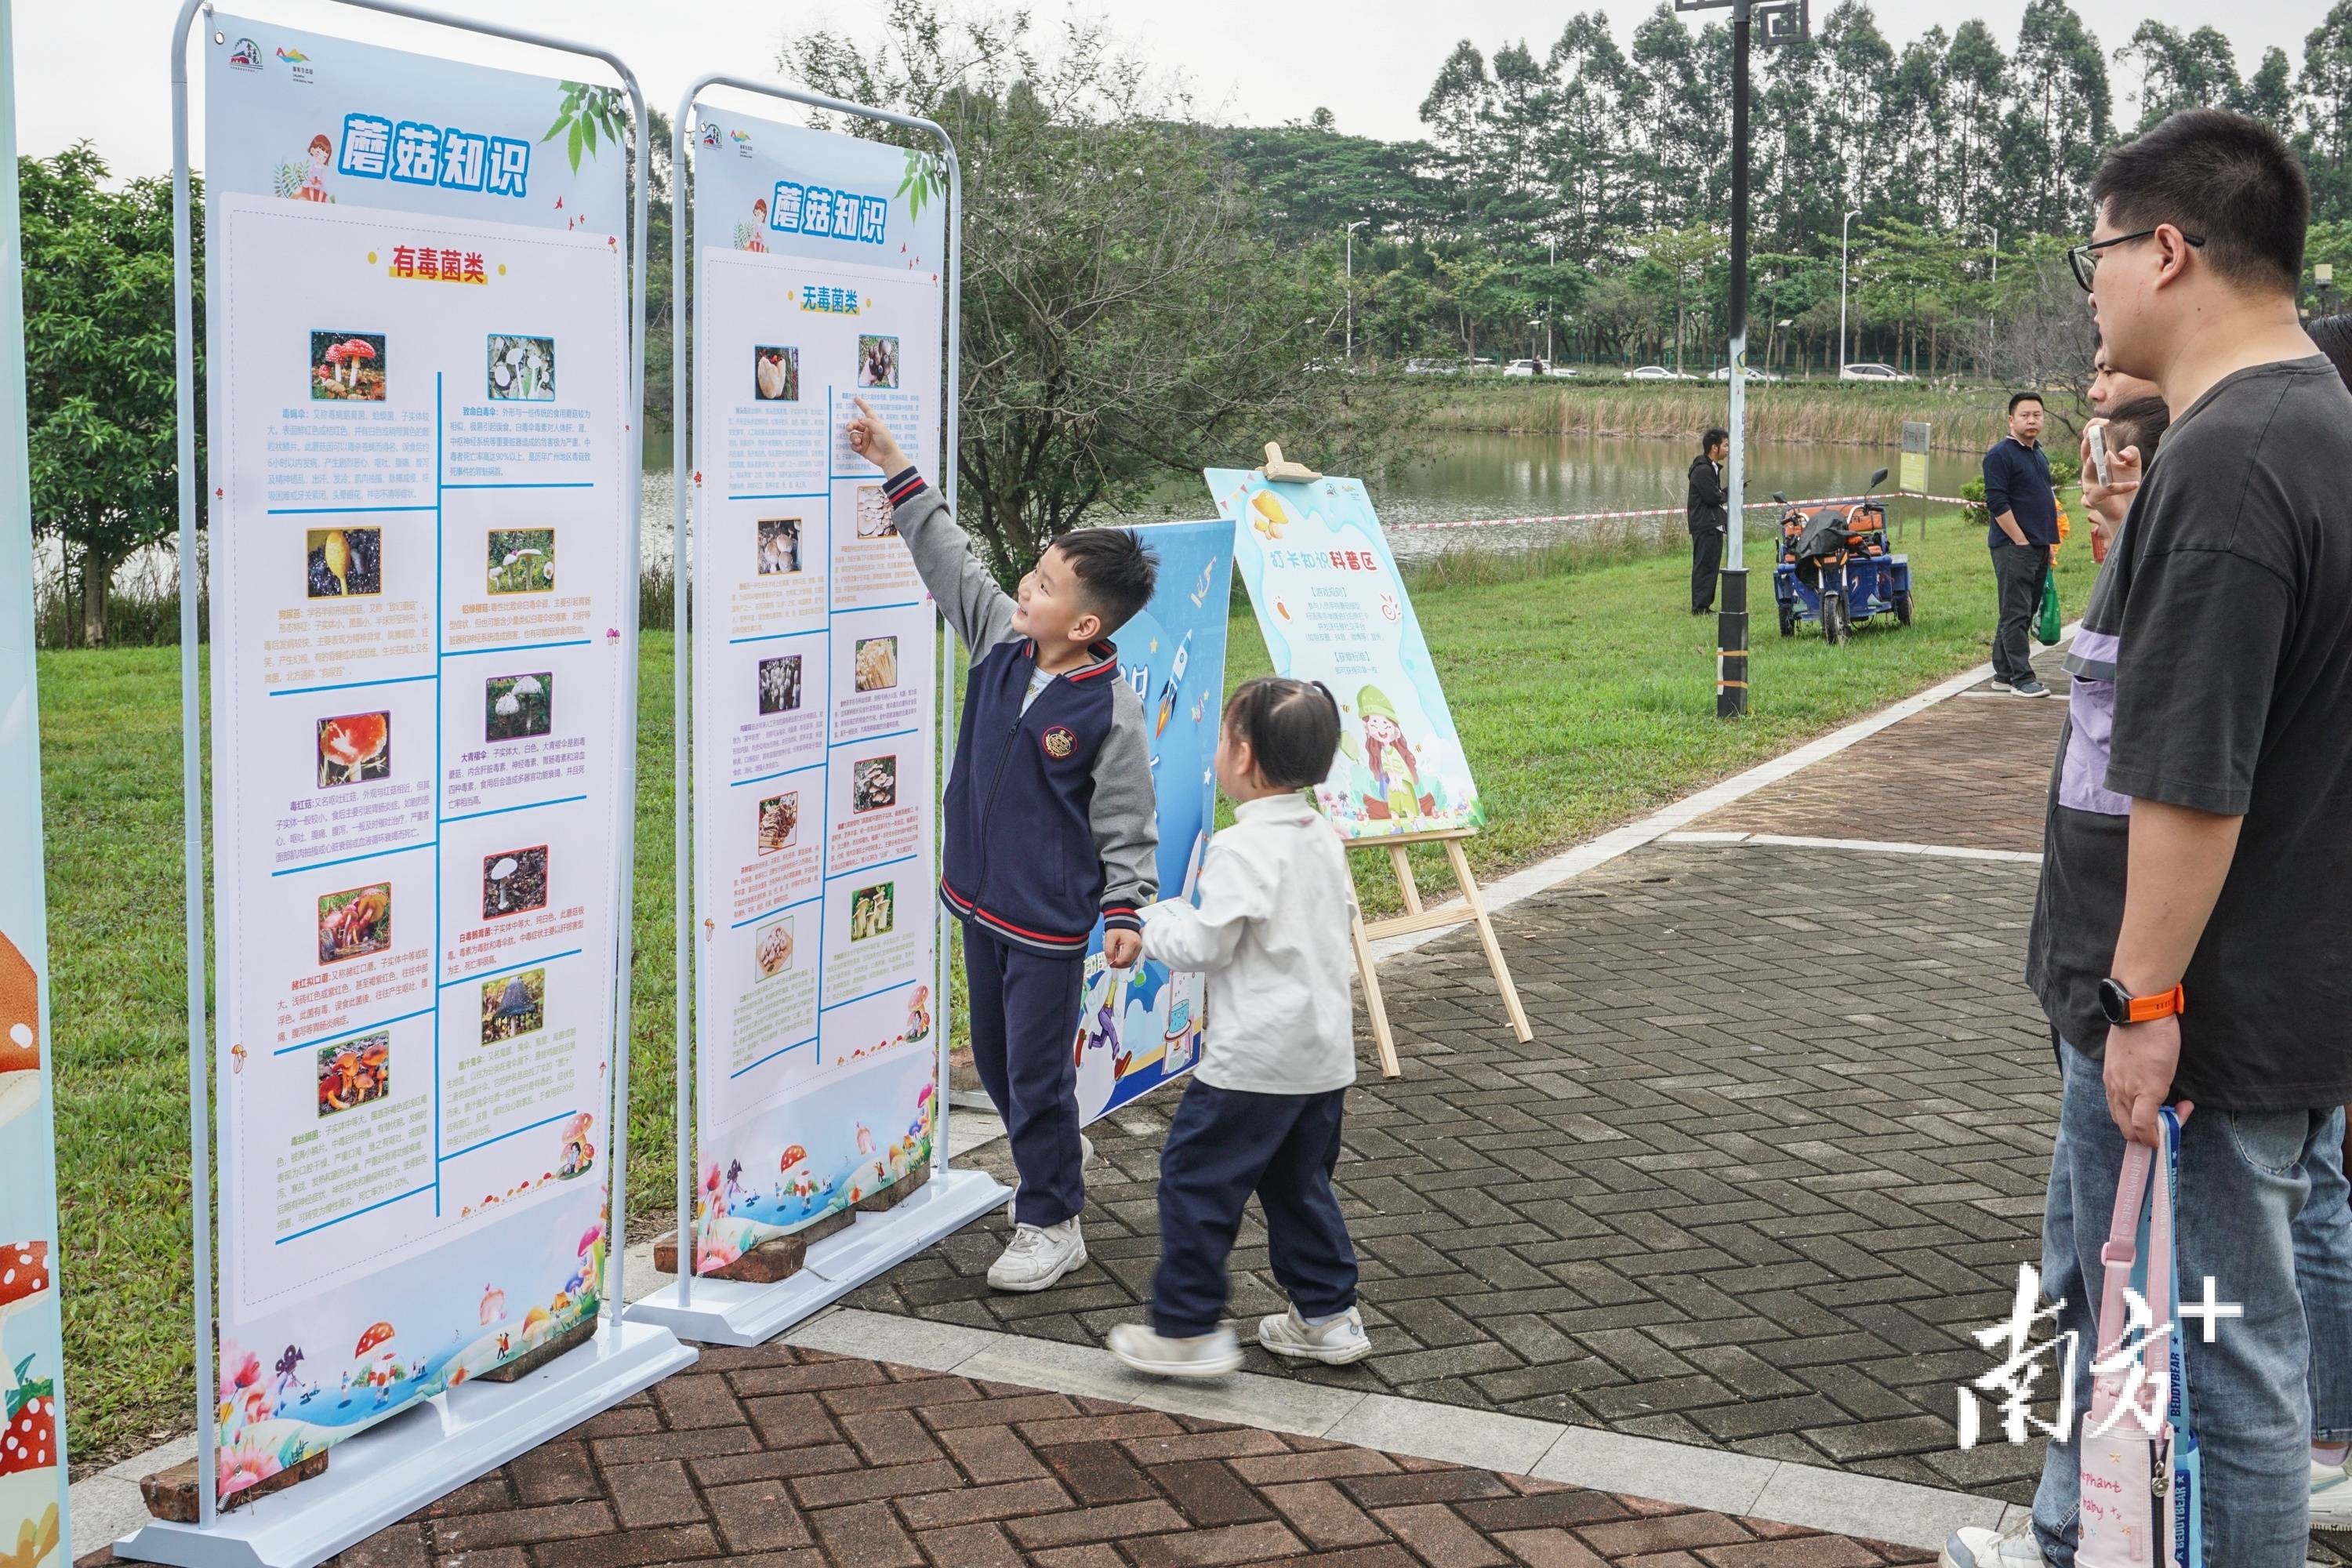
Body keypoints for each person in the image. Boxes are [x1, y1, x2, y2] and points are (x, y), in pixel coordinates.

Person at [1942, 108, 2352, 1568]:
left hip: (2210, 1013)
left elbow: (2195, 778)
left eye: (2097, 253)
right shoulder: (2296, 423)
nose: (2094, 285)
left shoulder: (2242, 459)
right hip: (2236, 990)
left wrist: (2147, 1002)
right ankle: (2078, 1542)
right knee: (2133, 1317)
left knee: (2224, 1359)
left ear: (2167, 250)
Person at [843, 397, 1159, 1294]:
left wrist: (1126, 905)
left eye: (1048, 586)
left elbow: (1126, 818)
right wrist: (895, 464)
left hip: (1049, 922)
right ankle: (1052, 1151)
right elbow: (950, 560)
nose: (1026, 586)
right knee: (991, 1057)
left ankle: (1052, 1217)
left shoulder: (1108, 709)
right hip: (976, 896)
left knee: (1033, 1064)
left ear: (1087, 624)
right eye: (1033, 571)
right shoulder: (999, 642)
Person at [1104, 677, 1369, 1378]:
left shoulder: (1240, 847)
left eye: (1222, 738)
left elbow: (1208, 946)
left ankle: (1187, 1329)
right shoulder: (1323, 838)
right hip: (1323, 1058)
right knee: (1298, 1185)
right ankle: (1327, 1316)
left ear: (1243, 756)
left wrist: (1156, 920)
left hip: (1252, 1062)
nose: (1218, 750)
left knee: (1194, 1180)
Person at [1980, 393, 2058, 697]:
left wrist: (2049, 542)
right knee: (2015, 611)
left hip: (2038, 545)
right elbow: (1996, 502)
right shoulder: (2000, 454)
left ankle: (2003, 673)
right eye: (2025, 415)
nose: (2031, 420)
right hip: (2013, 546)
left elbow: (2043, 499)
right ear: (2011, 420)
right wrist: (2020, 539)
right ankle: (2022, 679)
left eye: (2037, 415)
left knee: (2021, 611)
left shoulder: (2038, 453)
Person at [1686, 427, 1728, 615]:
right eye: (1725, 445)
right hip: (1705, 526)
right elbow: (1713, 497)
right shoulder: (1703, 470)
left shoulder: (1712, 468)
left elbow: (1717, 495)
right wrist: (1730, 491)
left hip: (1713, 525)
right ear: (1714, 447)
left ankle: (1705, 605)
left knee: (1712, 566)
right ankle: (1699, 607)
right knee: (1704, 566)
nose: (1727, 449)